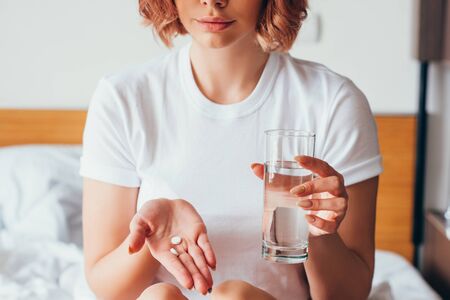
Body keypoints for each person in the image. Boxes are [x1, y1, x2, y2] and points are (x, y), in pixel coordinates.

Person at [79, 0, 382, 299]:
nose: (212, 2)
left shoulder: (333, 103)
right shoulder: (123, 99)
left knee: (234, 297)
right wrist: (154, 238)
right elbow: (107, 287)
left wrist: (317, 231)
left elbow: (350, 293)